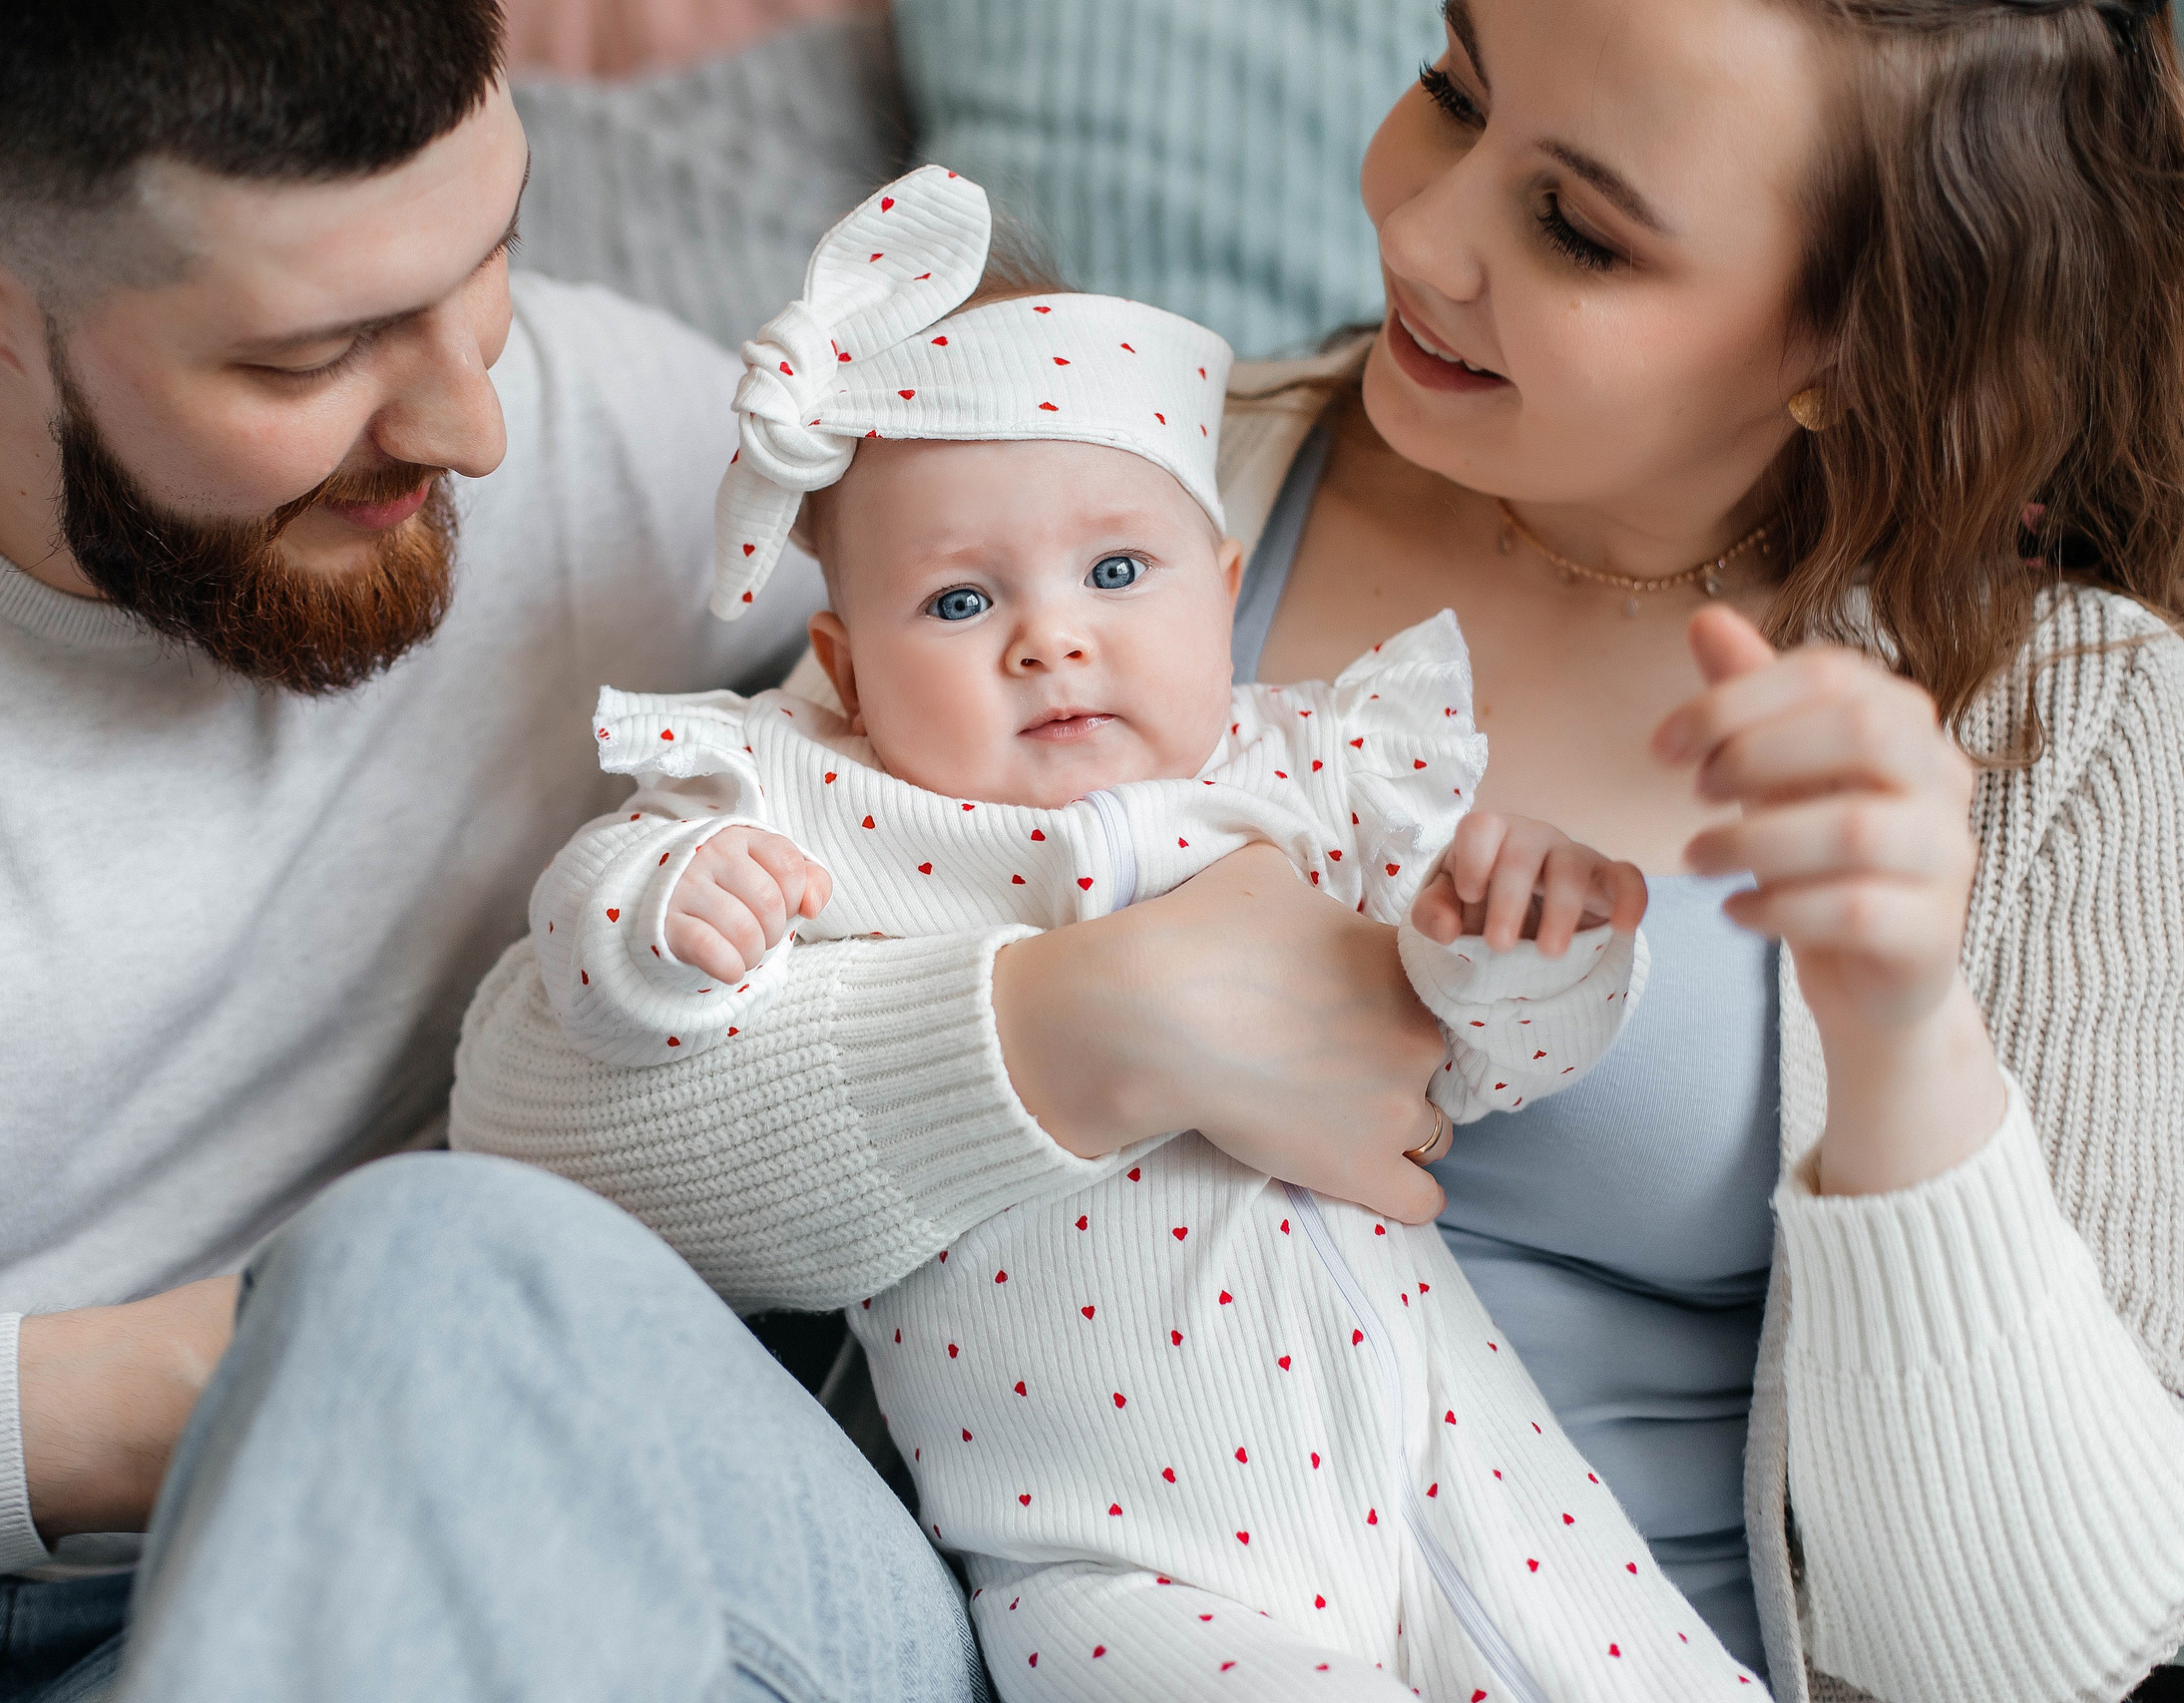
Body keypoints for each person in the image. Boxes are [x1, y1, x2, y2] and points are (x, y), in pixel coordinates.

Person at [460, 1, 2184, 1699]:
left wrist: (1901, 1047)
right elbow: (534, 1151)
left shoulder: (2077, 729)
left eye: (1577, 228)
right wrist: (1085, 1026)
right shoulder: (1109, 487)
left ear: (1856, 347)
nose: (1420, 230)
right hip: (1059, 1596)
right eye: (1451, 89)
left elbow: (2040, 1662)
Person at [0, 1, 986, 1698]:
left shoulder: (587, 423)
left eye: (490, 254)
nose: (473, 425)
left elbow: (1104, 597)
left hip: (505, 1505)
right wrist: (277, 1362)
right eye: (306, 359)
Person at [524, 164, 1764, 1700]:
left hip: (1455, 1453)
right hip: (1112, 1553)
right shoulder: (816, 792)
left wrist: (1518, 937)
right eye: (962, 604)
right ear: (843, 662)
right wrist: (665, 909)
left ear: (1221, 591)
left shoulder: (1307, 774)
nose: (1053, 636)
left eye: (1118, 573)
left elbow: (1485, 1061)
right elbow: (583, 958)